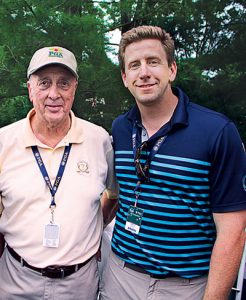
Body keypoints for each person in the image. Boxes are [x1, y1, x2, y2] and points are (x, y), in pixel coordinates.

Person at [99, 26, 246, 300]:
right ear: (125, 77)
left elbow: (233, 232)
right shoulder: (120, 129)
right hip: (120, 277)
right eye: (134, 65)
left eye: (153, 62)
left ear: (172, 69)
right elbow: (115, 194)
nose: (144, 72)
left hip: (185, 287)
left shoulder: (216, 131)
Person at [0, 46, 118, 300]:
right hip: (16, 280)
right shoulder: (3, 141)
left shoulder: (99, 140)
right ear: (30, 88)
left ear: (74, 89)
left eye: (63, 83)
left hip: (80, 284)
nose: (54, 94)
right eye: (44, 83)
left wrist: (95, 229)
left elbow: (114, 194)